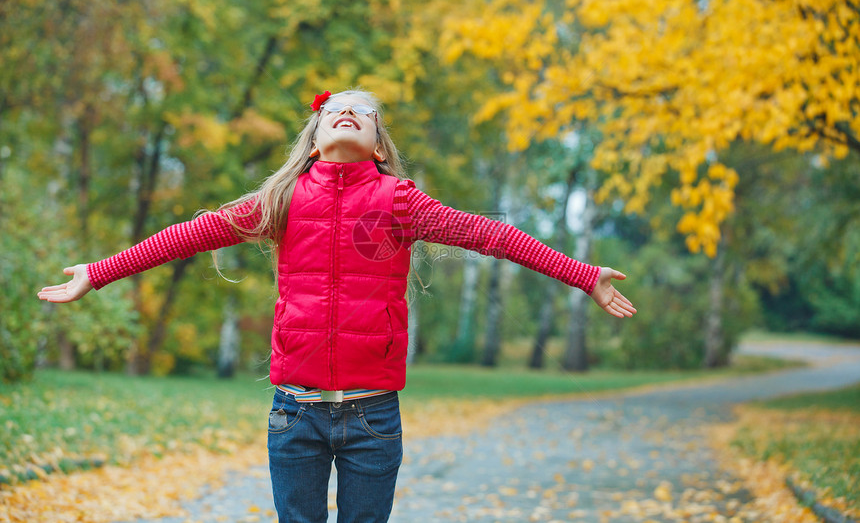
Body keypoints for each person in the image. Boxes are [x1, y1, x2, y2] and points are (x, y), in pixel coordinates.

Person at [37, 89, 636, 523]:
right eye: (335, 109)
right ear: (316, 132)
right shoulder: (282, 198)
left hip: (373, 416)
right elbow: (187, 236)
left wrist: (583, 274)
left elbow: (493, 235)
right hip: (293, 414)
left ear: (378, 141)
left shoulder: (400, 201)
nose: (349, 111)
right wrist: (98, 272)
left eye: (364, 110)